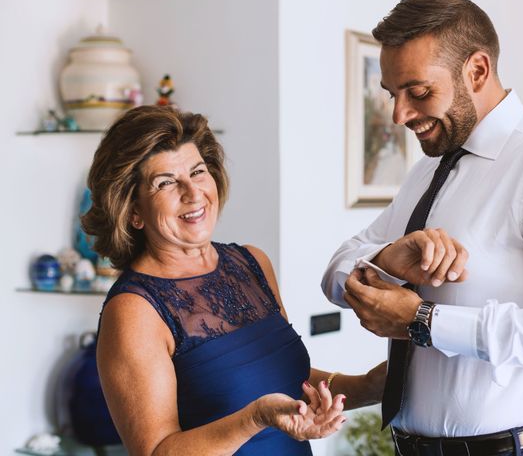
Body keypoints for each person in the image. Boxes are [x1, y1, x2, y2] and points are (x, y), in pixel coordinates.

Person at [321, 0, 523, 456]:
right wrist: (387, 260)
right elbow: (336, 272)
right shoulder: (430, 167)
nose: (399, 115)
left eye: (418, 92)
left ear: (478, 71)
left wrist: (425, 320)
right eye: (392, 94)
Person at [83, 105, 386, 455]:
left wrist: (371, 386)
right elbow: (157, 451)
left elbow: (289, 383)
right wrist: (256, 418)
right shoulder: (134, 311)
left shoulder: (251, 262)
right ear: (132, 210)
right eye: (166, 182)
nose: (193, 193)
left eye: (198, 172)